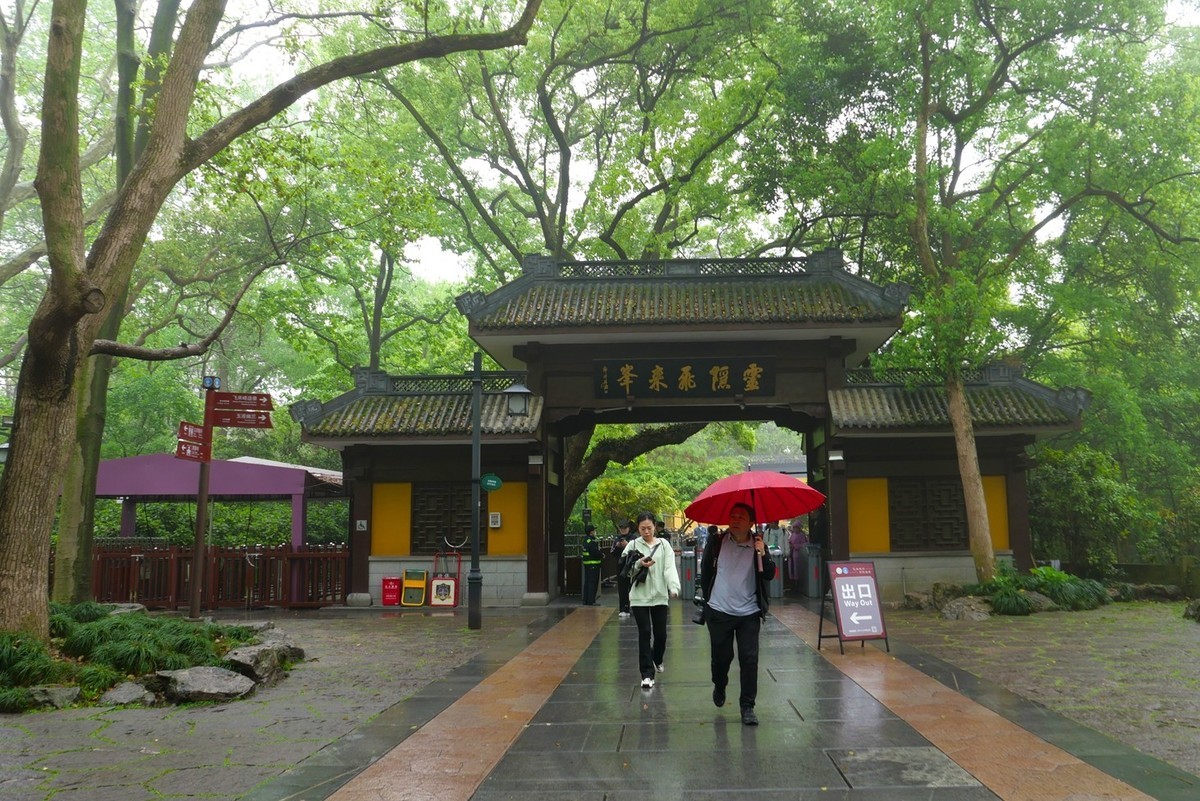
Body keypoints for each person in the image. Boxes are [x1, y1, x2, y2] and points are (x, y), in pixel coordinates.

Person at [699, 502, 775, 725]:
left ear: (751, 522)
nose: (735, 519)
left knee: (749, 659)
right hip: (719, 611)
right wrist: (707, 601)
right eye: (732, 515)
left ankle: (747, 706)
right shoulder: (717, 542)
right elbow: (705, 572)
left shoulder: (759, 545)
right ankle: (720, 684)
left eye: (741, 516)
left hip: (749, 612)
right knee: (722, 658)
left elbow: (769, 574)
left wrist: (764, 553)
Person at [621, 512, 680, 688]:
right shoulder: (632, 544)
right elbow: (625, 569)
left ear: (655, 526)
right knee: (645, 632)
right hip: (639, 596)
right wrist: (639, 563)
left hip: (660, 596)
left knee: (661, 634)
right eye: (642, 529)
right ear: (637, 529)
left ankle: (657, 658)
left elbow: (669, 568)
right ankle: (646, 674)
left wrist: (673, 587)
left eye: (649, 528)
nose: (646, 532)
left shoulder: (664, 545)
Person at [610, 520, 634, 617]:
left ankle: (635, 607)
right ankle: (623, 608)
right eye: (621, 528)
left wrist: (628, 544)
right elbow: (612, 553)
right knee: (622, 588)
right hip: (621, 566)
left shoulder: (634, 538)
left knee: (634, 587)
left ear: (629, 528)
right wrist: (617, 546)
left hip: (633, 566)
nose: (623, 530)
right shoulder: (617, 539)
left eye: (625, 528)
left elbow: (638, 551)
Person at [580, 523, 602, 606]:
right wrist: (601, 555)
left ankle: (586, 600)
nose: (595, 532)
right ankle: (591, 601)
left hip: (587, 565)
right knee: (593, 583)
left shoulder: (585, 540)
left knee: (588, 582)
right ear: (591, 532)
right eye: (594, 530)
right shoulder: (592, 541)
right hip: (593, 565)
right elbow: (595, 552)